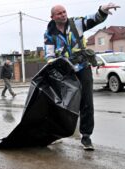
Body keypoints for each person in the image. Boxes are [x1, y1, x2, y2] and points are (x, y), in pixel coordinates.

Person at [44, 3, 119, 150]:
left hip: (83, 66)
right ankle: (56, 134)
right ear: (52, 17)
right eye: (59, 13)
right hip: (65, 71)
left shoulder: (76, 23)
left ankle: (86, 137)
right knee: (62, 104)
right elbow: (49, 54)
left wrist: (102, 11)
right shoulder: (49, 33)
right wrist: (53, 63)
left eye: (64, 11)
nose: (63, 15)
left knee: (87, 102)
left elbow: (93, 19)